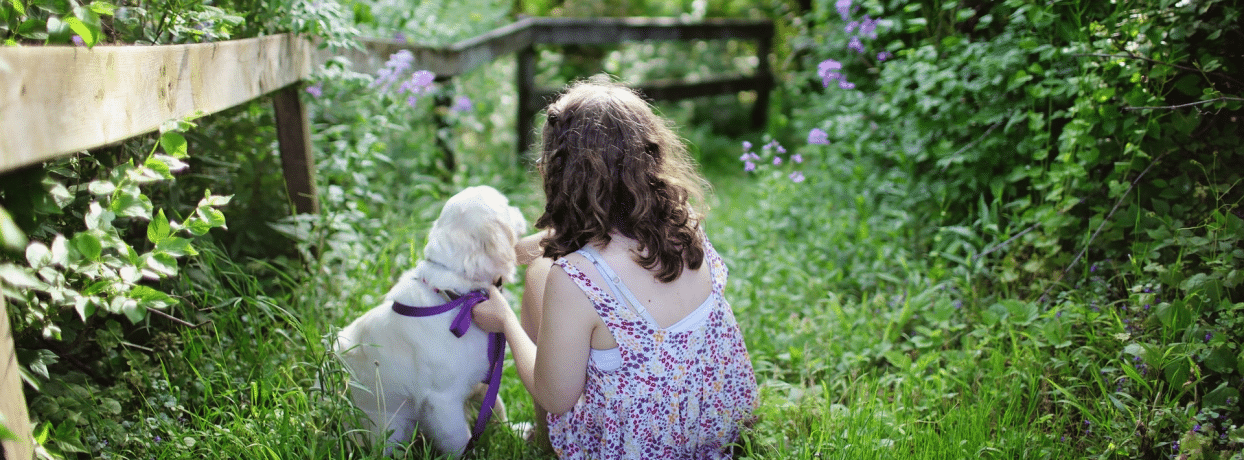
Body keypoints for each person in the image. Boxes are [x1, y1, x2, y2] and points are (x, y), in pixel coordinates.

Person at [472, 78, 757, 459]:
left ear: (560, 173)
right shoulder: (684, 225)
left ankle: (545, 441)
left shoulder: (574, 279)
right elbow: (606, 239)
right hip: (714, 429)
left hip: (635, 448)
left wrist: (505, 319)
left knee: (540, 274)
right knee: (542, 266)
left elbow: (556, 398)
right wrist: (519, 250)